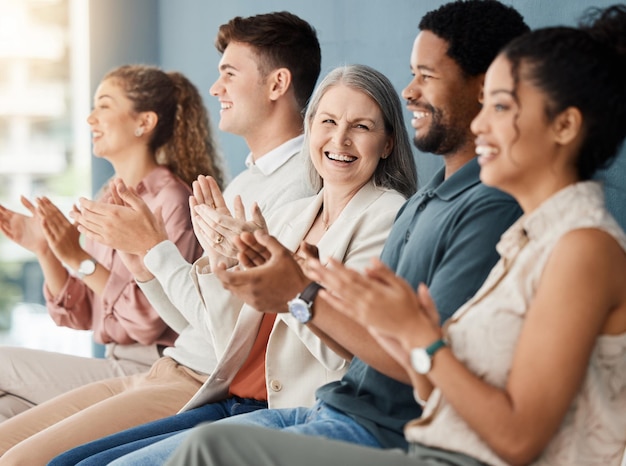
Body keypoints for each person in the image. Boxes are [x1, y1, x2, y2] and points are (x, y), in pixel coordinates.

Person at [167, 4, 626, 466]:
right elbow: (434, 377)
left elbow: (515, 436)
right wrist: (318, 294)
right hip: (390, 427)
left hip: (426, 448)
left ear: (565, 126)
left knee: (209, 448)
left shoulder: (579, 245)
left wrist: (314, 299)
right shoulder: (528, 237)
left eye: (501, 106)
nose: (483, 122)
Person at [81, 0, 530, 464]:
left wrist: (298, 292)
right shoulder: (416, 203)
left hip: (320, 409)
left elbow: (395, 358)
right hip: (281, 396)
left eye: (426, 75)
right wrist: (228, 266)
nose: (410, 90)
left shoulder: (424, 210)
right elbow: (231, 328)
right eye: (328, 122)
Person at [48, 63, 418, 466]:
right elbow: (223, 335)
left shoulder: (387, 215)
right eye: (327, 121)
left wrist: (290, 282)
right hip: (232, 396)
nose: (340, 139)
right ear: (311, 129)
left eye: (361, 127)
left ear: (387, 143)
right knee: (68, 463)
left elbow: (348, 355)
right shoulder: (292, 215)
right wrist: (224, 264)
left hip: (293, 410)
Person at [0, 11, 326, 464]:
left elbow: (228, 328)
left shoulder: (301, 189)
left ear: (276, 85)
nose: (216, 89)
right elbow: (197, 317)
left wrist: (151, 252)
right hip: (169, 364)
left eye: (229, 75)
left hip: (195, 376)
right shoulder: (244, 184)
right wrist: (142, 263)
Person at [0, 64, 224, 421]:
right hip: (112, 362)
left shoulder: (172, 200)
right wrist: (49, 252)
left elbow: (149, 319)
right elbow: (83, 314)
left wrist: (79, 257)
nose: (90, 118)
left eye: (104, 105)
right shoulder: (107, 197)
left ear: (143, 122)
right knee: (5, 411)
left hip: (153, 366)